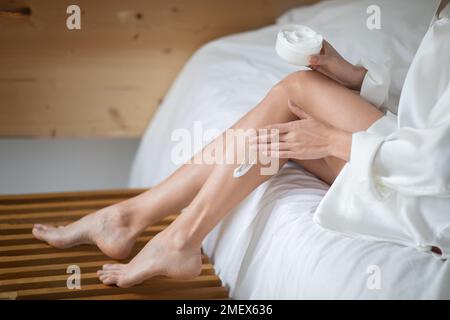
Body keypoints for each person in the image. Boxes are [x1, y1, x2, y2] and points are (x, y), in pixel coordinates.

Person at [33, 0, 449, 288]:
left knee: (296, 93)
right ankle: (140, 224)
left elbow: (440, 162)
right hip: (411, 165)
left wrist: (332, 138)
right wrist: (356, 78)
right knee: (290, 108)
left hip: (430, 198)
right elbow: (426, 110)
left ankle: (164, 234)